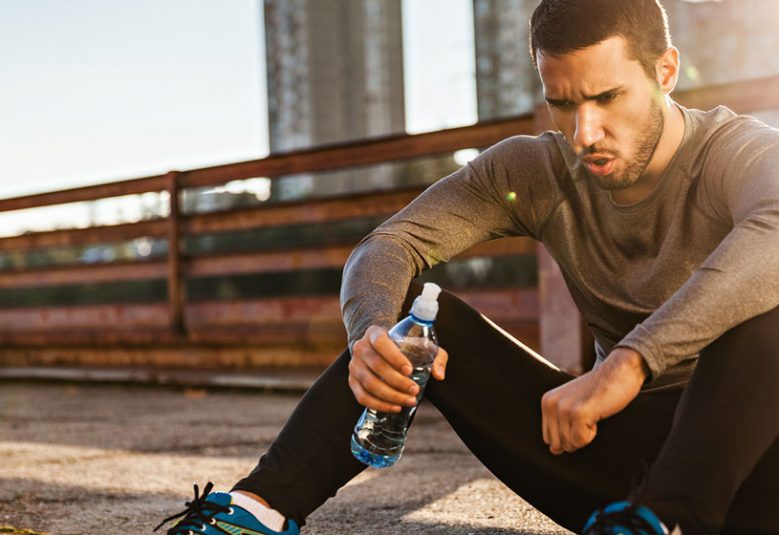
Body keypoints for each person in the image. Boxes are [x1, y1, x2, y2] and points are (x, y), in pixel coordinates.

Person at [155, 1, 779, 534]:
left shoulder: (736, 152)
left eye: (608, 97)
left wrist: (630, 360)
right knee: (418, 319)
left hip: (751, 467)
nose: (586, 132)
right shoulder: (534, 170)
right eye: (562, 104)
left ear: (665, 71)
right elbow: (390, 244)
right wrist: (368, 336)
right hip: (608, 465)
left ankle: (668, 520)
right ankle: (253, 511)